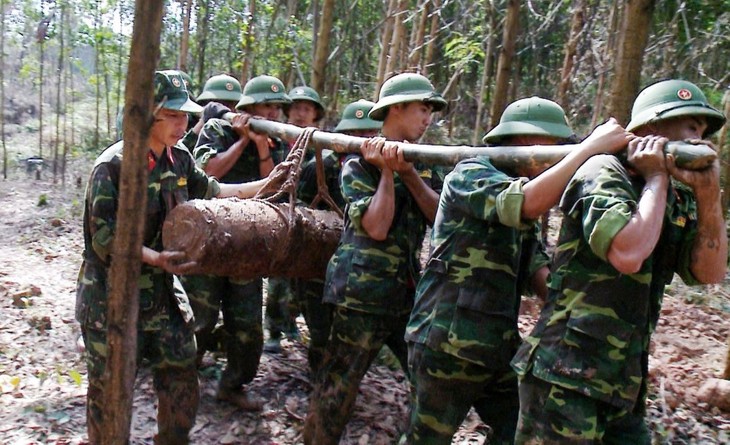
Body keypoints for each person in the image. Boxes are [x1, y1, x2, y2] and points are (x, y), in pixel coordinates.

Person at [403, 97, 634, 444]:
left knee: (520, 433)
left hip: (498, 348)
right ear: (528, 142)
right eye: (557, 147)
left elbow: (540, 273)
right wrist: (590, 148)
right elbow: (524, 202)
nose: (561, 156)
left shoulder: (526, 192)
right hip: (447, 343)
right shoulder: (472, 173)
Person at [511, 79, 727, 444]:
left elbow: (709, 273)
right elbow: (627, 253)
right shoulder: (603, 171)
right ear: (651, 130)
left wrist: (708, 199)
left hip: (623, 383)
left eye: (704, 131)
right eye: (691, 126)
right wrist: (657, 176)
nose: (699, 139)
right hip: (565, 376)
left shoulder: (677, 195)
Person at [75, 70, 267, 444]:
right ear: (149, 115)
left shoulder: (179, 159)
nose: (184, 124)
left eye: (186, 116)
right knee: (111, 394)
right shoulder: (114, 166)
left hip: (162, 296)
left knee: (181, 376)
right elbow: (104, 239)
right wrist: (155, 257)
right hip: (111, 299)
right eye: (174, 116)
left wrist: (264, 186)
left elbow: (213, 190)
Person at [303, 73, 448, 445]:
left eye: (431, 110)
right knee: (338, 387)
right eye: (422, 108)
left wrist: (407, 172)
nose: (428, 117)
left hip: (406, 291)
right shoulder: (356, 162)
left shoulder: (427, 162)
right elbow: (377, 227)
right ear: (396, 109)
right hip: (360, 293)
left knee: (427, 380)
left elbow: (438, 218)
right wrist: (385, 170)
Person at [181, 74, 291, 411]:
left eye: (277, 108)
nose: (273, 114)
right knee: (199, 316)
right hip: (209, 239)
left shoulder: (279, 143)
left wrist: (260, 146)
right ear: (250, 108)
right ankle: (183, 380)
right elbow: (207, 172)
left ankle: (233, 384)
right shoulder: (217, 129)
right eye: (266, 107)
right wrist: (242, 141)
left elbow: (274, 189)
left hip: (249, 243)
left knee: (246, 324)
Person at [293, 99, 383, 376]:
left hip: (358, 269)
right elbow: (298, 214)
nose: (361, 140)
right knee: (319, 327)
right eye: (354, 134)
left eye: (368, 134)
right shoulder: (319, 166)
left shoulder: (380, 168)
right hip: (317, 264)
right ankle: (318, 378)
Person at [264, 85, 326, 354]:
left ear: (315, 115)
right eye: (296, 108)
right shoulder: (274, 141)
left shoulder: (321, 147)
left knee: (305, 278)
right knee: (278, 277)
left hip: (309, 219)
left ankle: (292, 324)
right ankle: (274, 331)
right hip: (279, 217)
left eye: (307, 109)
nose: (301, 113)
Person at [180, 73, 243, 151]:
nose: (223, 108)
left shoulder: (241, 129)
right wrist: (202, 123)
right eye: (219, 103)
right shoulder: (189, 125)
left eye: (232, 104)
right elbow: (177, 153)